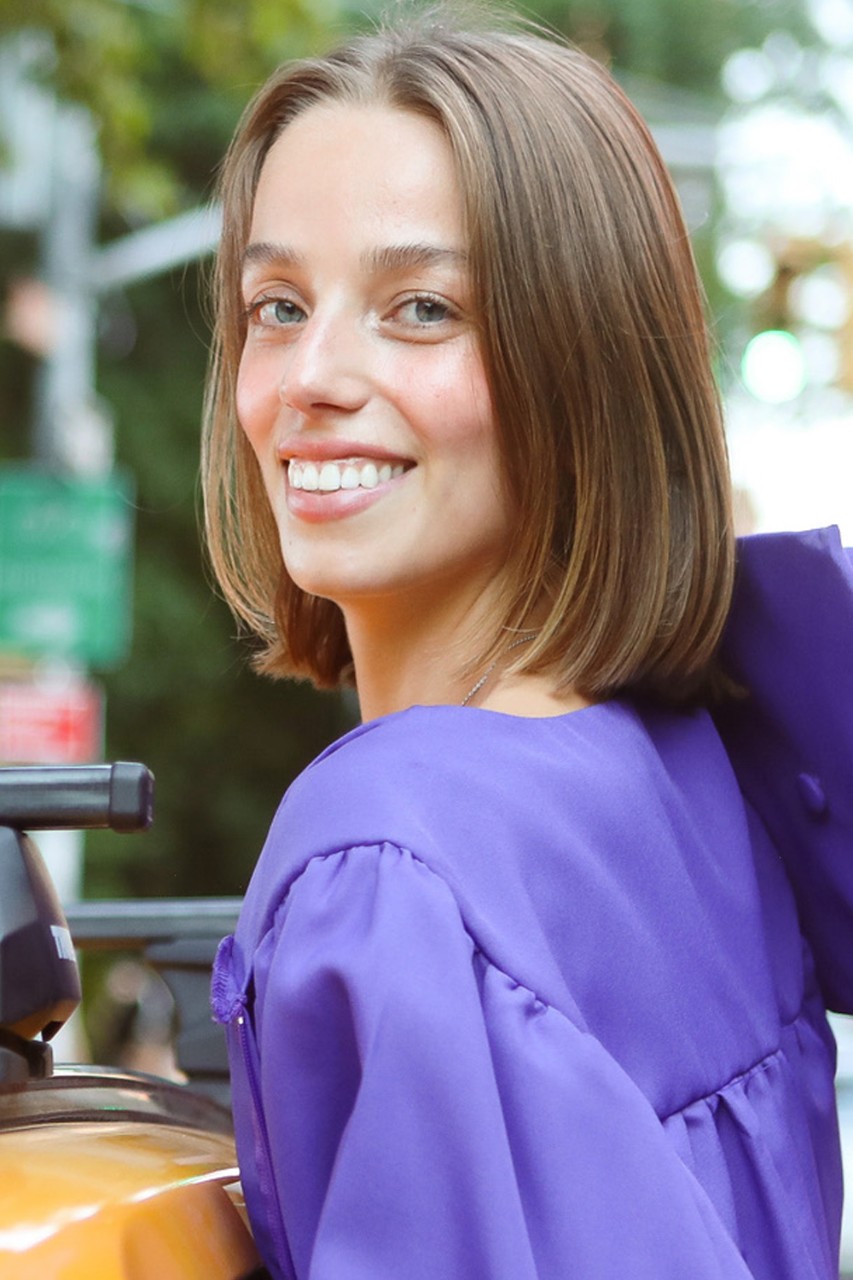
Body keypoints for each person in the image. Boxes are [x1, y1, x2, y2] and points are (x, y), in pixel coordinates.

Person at [205, 9, 853, 1279]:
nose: (312, 375)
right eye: (278, 304)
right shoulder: (696, 777)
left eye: (422, 307)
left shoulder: (389, 861)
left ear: (584, 361)